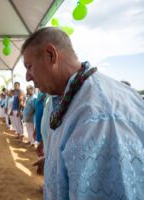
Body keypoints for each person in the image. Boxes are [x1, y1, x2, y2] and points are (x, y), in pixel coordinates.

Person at [22, 27, 144, 200]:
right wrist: (54, 162)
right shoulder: (71, 96)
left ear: (51, 55)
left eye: (29, 66)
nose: (27, 77)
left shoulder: (98, 117)